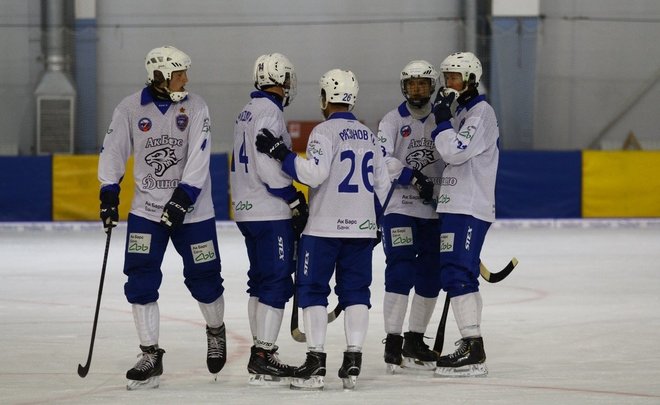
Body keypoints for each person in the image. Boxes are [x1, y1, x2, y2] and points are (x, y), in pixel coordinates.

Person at [98, 45, 226, 389]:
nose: (186, 79)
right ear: (160, 76)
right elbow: (113, 150)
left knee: (205, 278)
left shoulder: (196, 106)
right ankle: (150, 354)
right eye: (179, 74)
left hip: (194, 212)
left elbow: (199, 154)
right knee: (140, 279)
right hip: (147, 212)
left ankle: (216, 330)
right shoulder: (129, 108)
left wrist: (183, 198)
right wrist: (108, 191)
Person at [255, 69, 391, 390]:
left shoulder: (324, 131)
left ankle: (315, 362)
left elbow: (314, 173)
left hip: (324, 229)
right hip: (360, 229)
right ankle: (353, 359)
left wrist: (281, 154)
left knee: (313, 290)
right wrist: (375, 223)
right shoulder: (369, 135)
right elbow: (384, 185)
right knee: (356, 292)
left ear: (326, 97)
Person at [229, 52, 308, 386]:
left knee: (260, 281)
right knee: (276, 281)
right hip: (269, 209)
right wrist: (292, 196)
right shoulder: (270, 111)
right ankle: (263, 354)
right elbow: (266, 163)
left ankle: (261, 352)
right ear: (281, 79)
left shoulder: (246, 109)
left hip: (246, 209)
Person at [430, 51, 499, 377]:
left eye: (455, 77)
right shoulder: (463, 112)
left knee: (458, 273)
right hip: (454, 205)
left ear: (471, 79)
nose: (449, 83)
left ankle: (474, 349)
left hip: (469, 206)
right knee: (456, 273)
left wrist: (442, 122)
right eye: (446, 77)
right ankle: (471, 343)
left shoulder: (481, 113)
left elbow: (455, 152)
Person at [376, 60, 445, 373]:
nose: (417, 89)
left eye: (422, 83)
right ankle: (393, 340)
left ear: (432, 86)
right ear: (404, 87)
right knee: (400, 269)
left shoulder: (443, 119)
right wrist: (413, 177)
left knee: (432, 274)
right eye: (412, 84)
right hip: (400, 208)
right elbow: (381, 158)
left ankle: (414, 339)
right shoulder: (392, 120)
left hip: (434, 211)